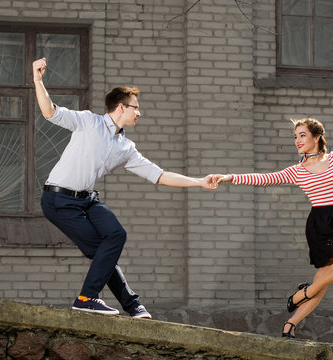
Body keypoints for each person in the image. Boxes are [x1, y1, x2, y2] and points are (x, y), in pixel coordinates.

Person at [32, 57, 217, 319]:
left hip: (88, 200)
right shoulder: (88, 122)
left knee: (115, 235)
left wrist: (199, 181)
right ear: (121, 107)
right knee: (101, 252)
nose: (139, 113)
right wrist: (38, 80)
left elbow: (159, 175)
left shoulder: (125, 148)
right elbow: (50, 111)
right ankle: (95, 300)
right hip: (58, 200)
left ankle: (126, 305)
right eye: (136, 108)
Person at [214, 93, 333, 337]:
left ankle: (290, 325)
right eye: (295, 136)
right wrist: (229, 177)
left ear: (317, 137)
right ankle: (302, 294)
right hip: (322, 225)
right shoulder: (296, 171)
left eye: (302, 135)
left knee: (323, 281)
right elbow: (264, 179)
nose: (297, 141)